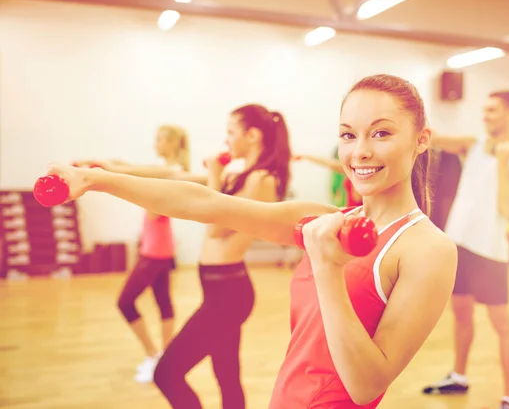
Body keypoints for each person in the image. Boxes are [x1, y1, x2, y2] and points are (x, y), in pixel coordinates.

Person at [44, 74, 457, 408]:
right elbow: (204, 203)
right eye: (349, 136)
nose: (360, 151)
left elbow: (366, 385)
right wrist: (96, 180)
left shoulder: (427, 250)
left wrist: (327, 269)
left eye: (381, 133)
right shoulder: (327, 221)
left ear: (421, 139)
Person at [82, 104, 291, 408]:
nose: (226, 141)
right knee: (227, 375)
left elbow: (218, 229)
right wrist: (108, 169)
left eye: (231, 133)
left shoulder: (263, 180)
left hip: (230, 293)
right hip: (219, 288)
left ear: (252, 135)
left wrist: (215, 177)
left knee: (166, 374)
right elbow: (170, 175)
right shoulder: (243, 174)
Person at [422, 91, 509, 409]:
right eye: (484, 109)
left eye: (493, 110)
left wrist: (502, 162)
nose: (485, 115)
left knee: (501, 323)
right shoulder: (472, 145)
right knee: (460, 314)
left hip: (489, 252)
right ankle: (459, 377)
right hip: (458, 244)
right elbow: (432, 138)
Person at [76, 124, 190, 383]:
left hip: (156, 250)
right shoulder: (162, 170)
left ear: (173, 143)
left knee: (125, 302)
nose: (155, 144)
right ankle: (165, 359)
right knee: (163, 302)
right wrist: (94, 165)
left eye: (160, 139)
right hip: (157, 247)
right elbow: (126, 165)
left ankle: (154, 356)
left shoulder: (174, 172)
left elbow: (153, 210)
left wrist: (117, 178)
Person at [294, 152, 363, 207]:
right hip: (352, 211)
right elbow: (331, 164)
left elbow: (332, 164)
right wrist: (306, 156)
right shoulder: (350, 169)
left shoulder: (357, 170)